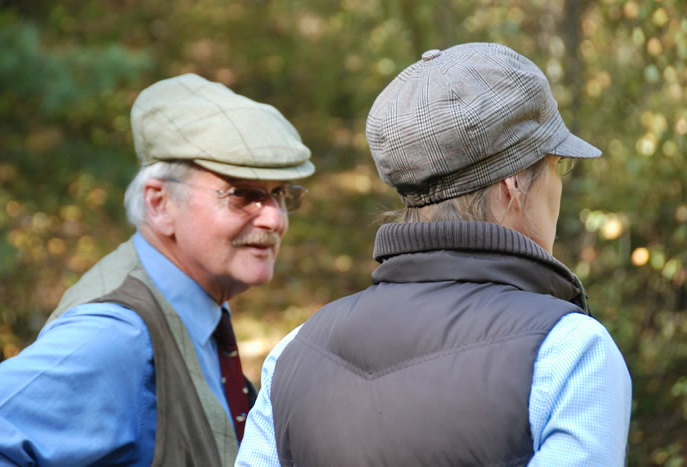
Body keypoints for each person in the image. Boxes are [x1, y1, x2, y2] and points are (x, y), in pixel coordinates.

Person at [236, 43, 631, 466]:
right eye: (558, 165)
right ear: (513, 185)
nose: (559, 186)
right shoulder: (570, 353)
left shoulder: (293, 355)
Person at [0, 73, 314, 466]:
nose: (274, 219)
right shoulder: (116, 334)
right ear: (160, 204)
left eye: (281, 195)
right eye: (243, 195)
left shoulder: (194, 308)